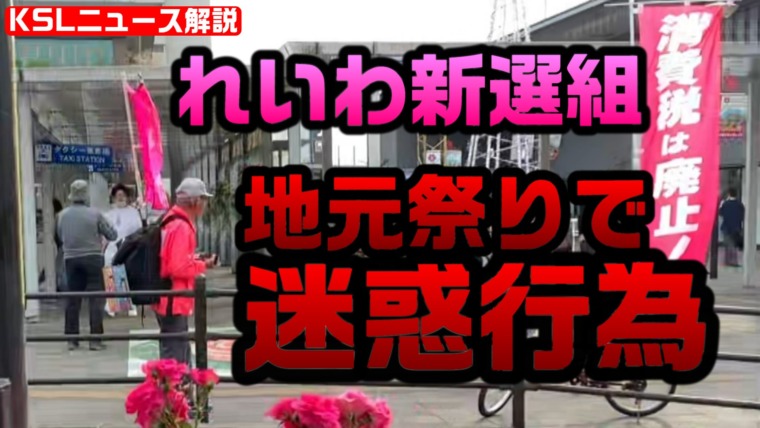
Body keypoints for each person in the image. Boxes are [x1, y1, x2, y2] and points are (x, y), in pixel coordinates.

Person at [154, 178, 217, 365]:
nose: (205, 204)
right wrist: (202, 265)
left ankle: (179, 381)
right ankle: (176, 383)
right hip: (174, 298)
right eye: (203, 199)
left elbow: (173, 259)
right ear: (194, 201)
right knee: (175, 354)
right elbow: (178, 267)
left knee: (176, 348)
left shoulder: (170, 219)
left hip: (166, 296)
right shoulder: (181, 226)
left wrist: (197, 260)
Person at [57, 180, 118, 351]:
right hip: (93, 258)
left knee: (72, 300)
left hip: (71, 259)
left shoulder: (62, 215)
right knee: (96, 299)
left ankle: (72, 340)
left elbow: (60, 236)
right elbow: (112, 235)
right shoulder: (95, 214)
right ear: (86, 195)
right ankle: (95, 340)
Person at [104, 184, 144, 317]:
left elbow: (139, 230)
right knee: (111, 273)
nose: (120, 198)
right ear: (114, 198)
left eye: (122, 195)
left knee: (128, 275)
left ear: (127, 197)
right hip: (112, 247)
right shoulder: (108, 214)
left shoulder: (133, 212)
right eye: (118, 196)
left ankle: (131, 304)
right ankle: (112, 305)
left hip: (129, 246)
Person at [719, 188, 745, 267]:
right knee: (735, 245)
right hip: (736, 227)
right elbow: (742, 215)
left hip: (726, 226)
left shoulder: (725, 204)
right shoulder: (739, 204)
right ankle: (734, 261)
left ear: (729, 194)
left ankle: (727, 261)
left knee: (727, 244)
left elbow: (721, 213)